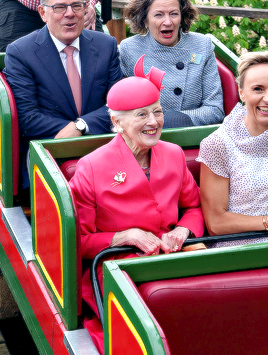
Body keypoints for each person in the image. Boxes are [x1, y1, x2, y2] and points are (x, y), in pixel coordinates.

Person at [69, 55, 204, 355]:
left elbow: (193, 208)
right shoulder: (91, 167)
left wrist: (182, 231)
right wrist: (124, 236)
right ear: (116, 122)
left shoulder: (173, 154)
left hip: (174, 254)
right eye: (141, 115)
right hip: (119, 266)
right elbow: (78, 240)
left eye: (157, 112)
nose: (154, 122)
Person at [3, 0, 122, 190]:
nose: (69, 14)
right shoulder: (20, 52)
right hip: (49, 157)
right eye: (59, 7)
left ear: (85, 9)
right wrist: (72, 132)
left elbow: (119, 104)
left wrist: (81, 126)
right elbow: (27, 118)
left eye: (76, 6)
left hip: (103, 149)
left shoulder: (106, 45)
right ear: (42, 13)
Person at [197, 51, 268, 247]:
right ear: (242, 93)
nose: (267, 98)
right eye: (258, 89)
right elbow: (216, 223)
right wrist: (265, 222)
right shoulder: (218, 144)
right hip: (242, 249)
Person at [119, 0, 224, 129]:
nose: (168, 22)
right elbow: (120, 107)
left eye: (174, 14)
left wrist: (181, 119)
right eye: (158, 15)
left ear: (182, 16)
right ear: (144, 20)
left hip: (189, 137)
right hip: (146, 137)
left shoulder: (202, 45)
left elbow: (215, 110)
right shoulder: (129, 49)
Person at [0, 0, 103, 52]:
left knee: (99, 49)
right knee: (12, 52)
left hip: (73, 3)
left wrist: (87, 3)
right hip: (23, 6)